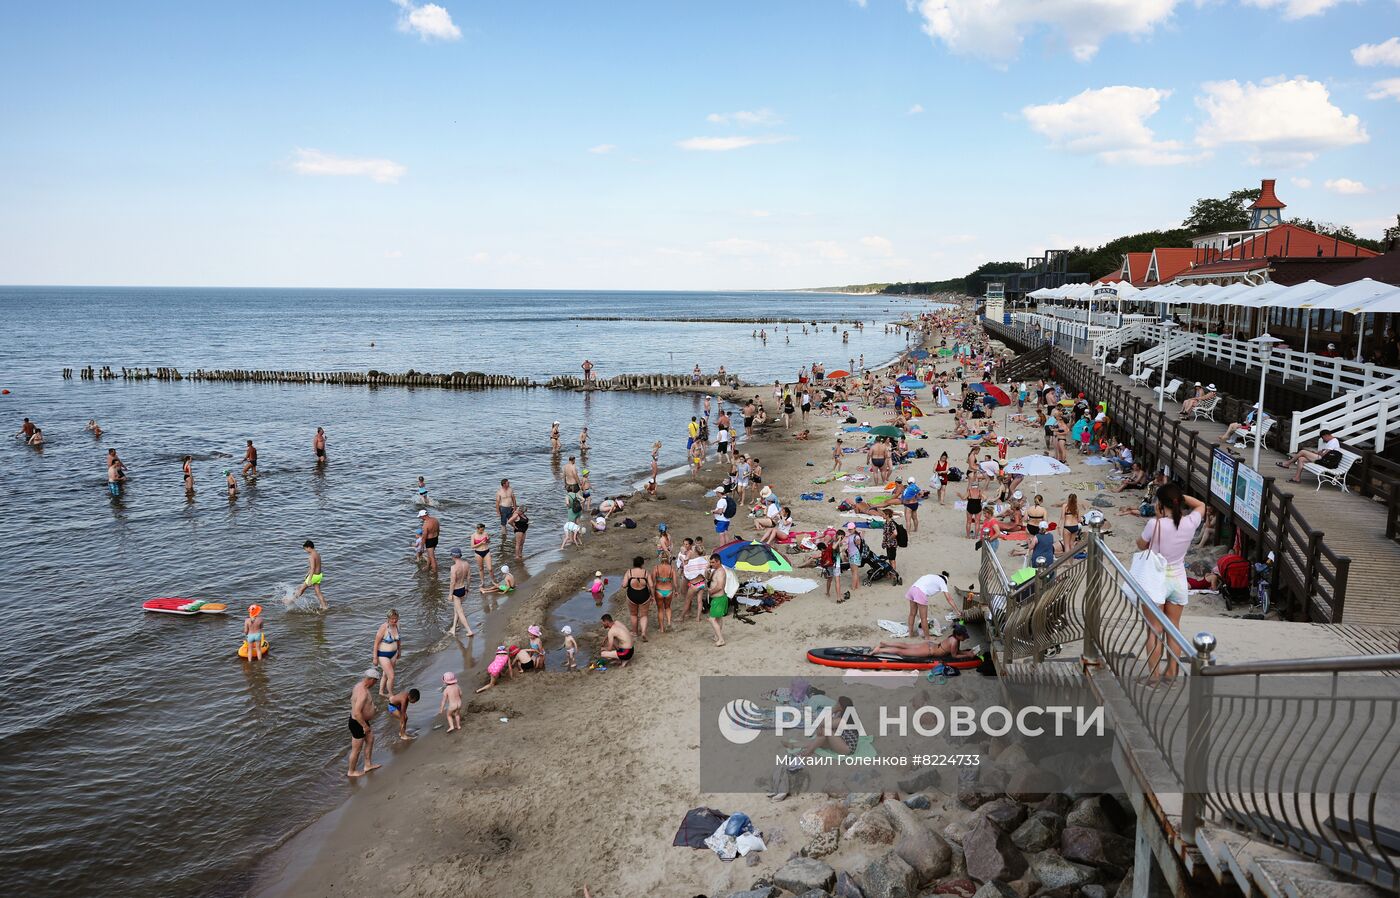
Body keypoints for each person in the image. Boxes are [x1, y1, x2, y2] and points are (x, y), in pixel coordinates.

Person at [1138, 484, 1205, 685]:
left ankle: (1154, 677)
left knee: (1155, 629)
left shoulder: (1155, 525)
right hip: (1177, 579)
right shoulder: (1190, 522)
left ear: (1160, 504)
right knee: (1173, 628)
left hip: (1156, 580)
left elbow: (1141, 544)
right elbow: (1201, 505)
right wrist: (1179, 496)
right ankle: (1171, 673)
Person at [793, 695, 859, 758]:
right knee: (820, 741)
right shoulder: (844, 716)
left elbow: (823, 724)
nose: (836, 704)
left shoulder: (842, 720)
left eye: (837, 704)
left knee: (825, 730)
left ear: (841, 707)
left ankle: (809, 751)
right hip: (842, 742)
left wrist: (833, 710)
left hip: (847, 748)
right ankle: (797, 745)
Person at [347, 668, 382, 778]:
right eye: (375, 681)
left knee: (370, 739)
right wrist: (365, 726)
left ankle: (368, 765)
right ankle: (351, 771)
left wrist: (371, 708)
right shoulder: (362, 692)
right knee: (356, 749)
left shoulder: (359, 686)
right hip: (358, 723)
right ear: (370, 679)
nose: (375, 684)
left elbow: (355, 703)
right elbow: (357, 713)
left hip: (362, 721)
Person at [871, 625, 974, 659]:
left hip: (929, 645)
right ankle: (879, 649)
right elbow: (954, 656)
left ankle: (884, 644)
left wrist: (966, 652)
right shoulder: (955, 642)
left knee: (906, 646)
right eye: (964, 636)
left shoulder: (953, 637)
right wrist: (967, 655)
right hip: (929, 650)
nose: (965, 638)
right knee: (902, 652)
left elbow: (957, 651)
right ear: (958, 635)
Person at [905, 571, 951, 638]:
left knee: (912, 614)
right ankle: (927, 637)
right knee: (923, 618)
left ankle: (910, 634)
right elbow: (949, 599)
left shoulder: (931, 576)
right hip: (920, 592)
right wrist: (957, 611)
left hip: (912, 589)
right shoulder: (942, 581)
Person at [446, 549, 476, 637]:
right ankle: (453, 629)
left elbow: (452, 582)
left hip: (456, 591)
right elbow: (469, 578)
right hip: (463, 588)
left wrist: (450, 594)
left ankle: (469, 630)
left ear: (453, 556)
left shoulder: (453, 567)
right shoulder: (466, 564)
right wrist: (467, 588)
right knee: (456, 610)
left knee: (460, 612)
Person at [372, 609, 402, 697]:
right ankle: (391, 695)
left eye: (396, 618)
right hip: (383, 655)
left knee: (386, 674)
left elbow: (399, 639)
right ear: (388, 618)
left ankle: (381, 692)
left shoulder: (398, 625)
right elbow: (376, 643)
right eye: (392, 618)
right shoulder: (383, 627)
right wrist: (375, 657)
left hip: (394, 654)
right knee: (391, 676)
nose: (394, 620)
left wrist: (399, 651)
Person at [623, 555, 652, 642]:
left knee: (633, 614)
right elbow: (651, 585)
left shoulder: (629, 572)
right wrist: (652, 595)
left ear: (634, 564)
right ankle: (643, 632)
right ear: (642, 564)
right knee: (644, 615)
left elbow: (624, 585)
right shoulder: (646, 572)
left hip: (632, 595)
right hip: (644, 595)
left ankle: (635, 633)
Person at [293, 539, 328, 610]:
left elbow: (312, 568)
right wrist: (307, 574)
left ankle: (290, 601)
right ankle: (324, 607)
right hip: (319, 575)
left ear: (309, 547)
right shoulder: (317, 554)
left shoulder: (311, 556)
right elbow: (316, 566)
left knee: (301, 589)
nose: (305, 551)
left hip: (314, 576)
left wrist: (309, 579)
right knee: (318, 592)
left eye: (305, 549)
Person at [705, 555, 728, 647]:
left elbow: (720, 586)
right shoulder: (715, 570)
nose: (711, 564)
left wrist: (711, 591)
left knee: (711, 619)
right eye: (711, 562)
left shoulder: (721, 572)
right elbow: (708, 579)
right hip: (717, 598)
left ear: (718, 562)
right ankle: (716, 636)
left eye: (713, 562)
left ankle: (721, 639)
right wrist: (707, 569)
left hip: (719, 598)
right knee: (718, 618)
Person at [652, 553, 676, 633]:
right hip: (669, 590)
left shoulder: (656, 568)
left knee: (660, 610)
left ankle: (662, 629)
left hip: (659, 590)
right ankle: (669, 622)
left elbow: (653, 582)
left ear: (660, 558)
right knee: (668, 607)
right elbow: (675, 583)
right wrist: (676, 591)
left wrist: (652, 594)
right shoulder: (671, 568)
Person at [470, 522, 496, 590]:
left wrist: (488, 540)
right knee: (481, 568)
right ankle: (482, 582)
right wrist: (481, 543)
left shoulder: (485, 533)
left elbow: (488, 542)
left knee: (490, 568)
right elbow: (472, 546)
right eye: (481, 530)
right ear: (477, 529)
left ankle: (493, 580)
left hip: (486, 551)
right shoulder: (473, 535)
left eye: (483, 529)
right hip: (478, 552)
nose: (482, 531)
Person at [420, 509, 441, 574]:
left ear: (423, 516)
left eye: (420, 517)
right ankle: (428, 566)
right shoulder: (435, 520)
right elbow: (438, 530)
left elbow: (424, 536)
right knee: (430, 554)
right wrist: (437, 537)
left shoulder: (425, 525)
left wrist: (422, 546)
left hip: (429, 541)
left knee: (432, 557)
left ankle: (435, 572)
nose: (420, 518)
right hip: (435, 538)